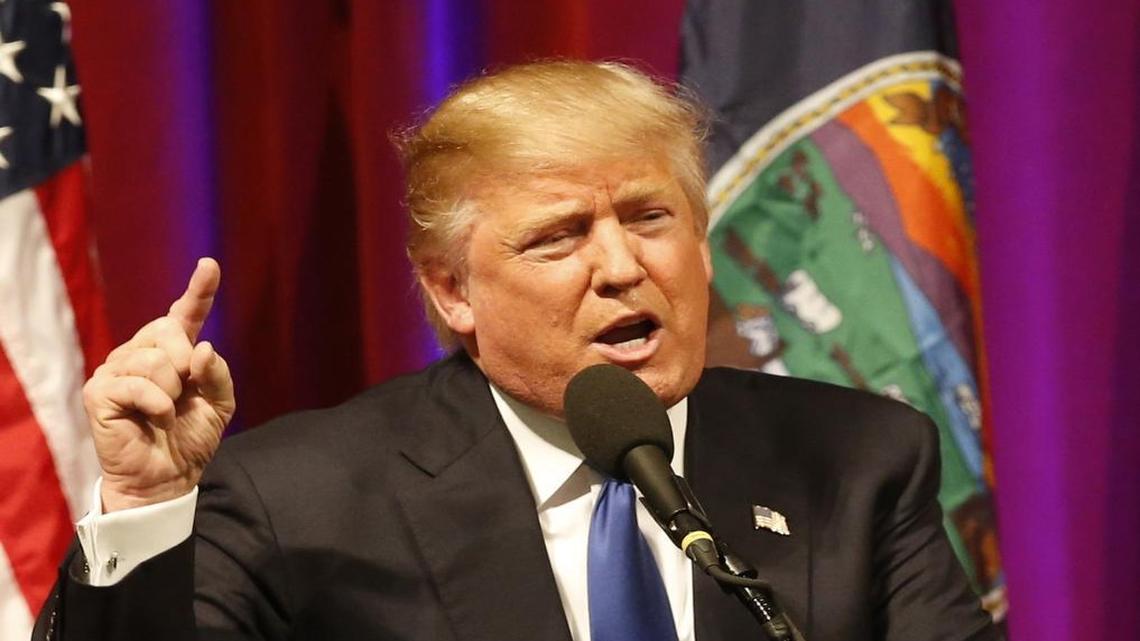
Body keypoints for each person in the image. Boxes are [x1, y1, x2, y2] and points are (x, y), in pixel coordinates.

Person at [34, 60, 1000, 641]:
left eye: (651, 217)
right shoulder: (303, 498)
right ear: (452, 290)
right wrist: (150, 509)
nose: (622, 265)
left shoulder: (860, 460)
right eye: (559, 236)